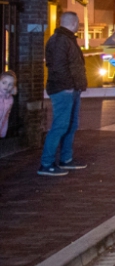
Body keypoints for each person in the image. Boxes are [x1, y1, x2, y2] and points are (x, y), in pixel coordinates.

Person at [39, 12, 88, 177]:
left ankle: (66, 159)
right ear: (74, 23)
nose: (79, 25)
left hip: (70, 88)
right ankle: (46, 163)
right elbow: (59, 67)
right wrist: (68, 86)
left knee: (70, 125)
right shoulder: (61, 41)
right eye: (79, 22)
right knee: (60, 125)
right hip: (64, 90)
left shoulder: (63, 40)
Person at [0, 71, 16, 138]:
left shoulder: (10, 99)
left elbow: (6, 116)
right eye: (4, 83)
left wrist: (3, 131)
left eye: (10, 84)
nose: (6, 86)